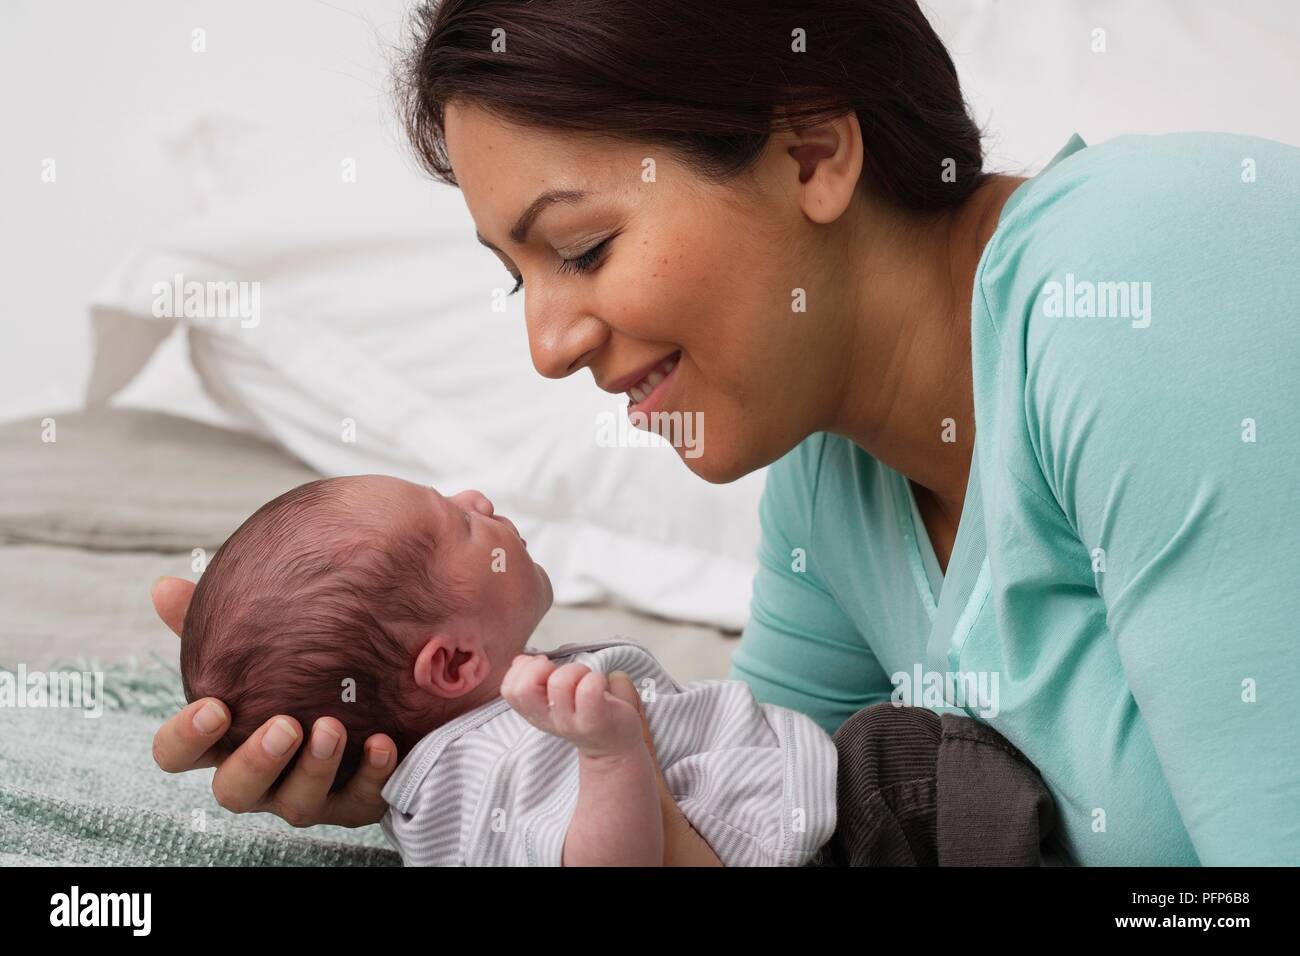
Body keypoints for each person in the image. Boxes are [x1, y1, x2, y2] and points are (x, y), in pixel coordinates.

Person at [150, 0, 1300, 864]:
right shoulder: (829, 473)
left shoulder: (1148, 277)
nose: (546, 346)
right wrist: (448, 761)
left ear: (811, 150)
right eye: (517, 283)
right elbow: (745, 815)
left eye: (583, 248)